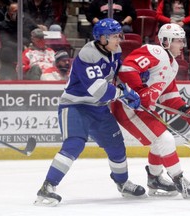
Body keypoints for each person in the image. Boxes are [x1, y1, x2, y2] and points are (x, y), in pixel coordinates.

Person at [34, 18, 146, 207]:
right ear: (101, 38)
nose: (118, 40)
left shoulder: (115, 51)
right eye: (113, 36)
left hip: (98, 108)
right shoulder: (88, 54)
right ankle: (47, 187)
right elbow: (99, 89)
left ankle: (122, 183)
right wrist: (122, 93)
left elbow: (115, 76)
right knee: (74, 144)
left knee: (116, 146)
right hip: (75, 106)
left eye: (119, 35)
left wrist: (132, 84)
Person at [111, 23, 190, 199]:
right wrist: (139, 91)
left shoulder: (173, 65)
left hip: (143, 109)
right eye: (178, 41)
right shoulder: (155, 52)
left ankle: (154, 178)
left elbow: (169, 97)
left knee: (160, 142)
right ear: (166, 42)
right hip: (127, 107)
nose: (183, 45)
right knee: (166, 139)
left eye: (183, 41)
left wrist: (188, 111)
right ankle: (179, 179)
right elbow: (127, 69)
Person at [0, 1, 38, 80]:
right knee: (6, 51)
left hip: (28, 47)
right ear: (9, 12)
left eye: (19, 11)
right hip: (12, 50)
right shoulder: (4, 25)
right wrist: (21, 46)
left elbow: (33, 33)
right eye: (15, 11)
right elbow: (6, 41)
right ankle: (8, 76)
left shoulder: (27, 20)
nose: (17, 13)